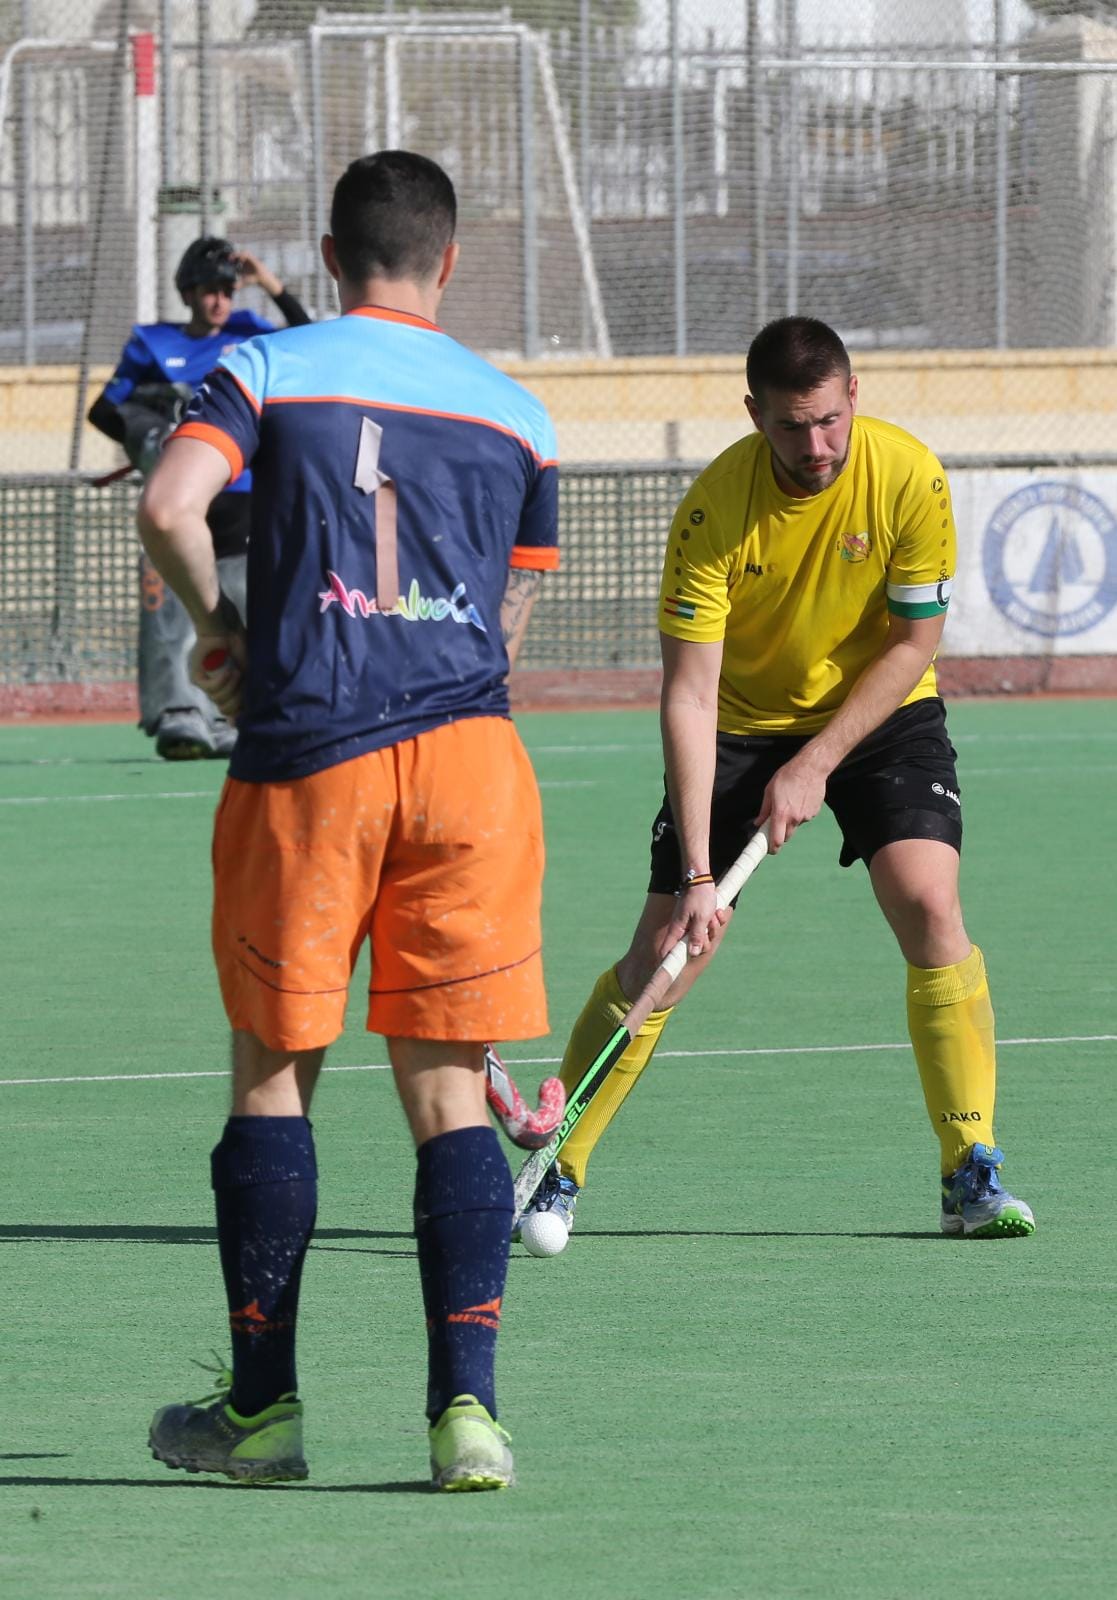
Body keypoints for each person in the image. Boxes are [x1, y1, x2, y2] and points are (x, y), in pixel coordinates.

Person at [137, 150, 559, 1489]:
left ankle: (264, 1416)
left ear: (329, 258)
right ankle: (467, 1419)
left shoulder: (270, 370)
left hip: (310, 758)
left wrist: (224, 635)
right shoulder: (517, 415)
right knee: (446, 1096)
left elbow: (169, 504)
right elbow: (509, 617)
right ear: (448, 263)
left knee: (274, 1078)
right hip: (472, 764)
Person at [521, 315, 1034, 1249]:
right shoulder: (715, 510)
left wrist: (817, 760)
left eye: (830, 420)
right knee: (669, 953)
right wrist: (698, 876)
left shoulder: (908, 476)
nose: (816, 446)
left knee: (929, 904)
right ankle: (556, 1164)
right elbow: (686, 695)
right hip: (735, 724)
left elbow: (915, 641)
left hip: (879, 713)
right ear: (753, 412)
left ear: (852, 398)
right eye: (792, 427)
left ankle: (970, 1170)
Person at [89, 236, 309, 760]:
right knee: (171, 605)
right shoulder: (150, 343)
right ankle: (178, 714)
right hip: (180, 495)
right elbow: (106, 411)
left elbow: (310, 340)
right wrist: (154, 430)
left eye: (228, 291)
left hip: (245, 497)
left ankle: (233, 715)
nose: (220, 301)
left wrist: (271, 284)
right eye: (209, 290)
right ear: (187, 293)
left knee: (243, 606)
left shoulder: (252, 335)